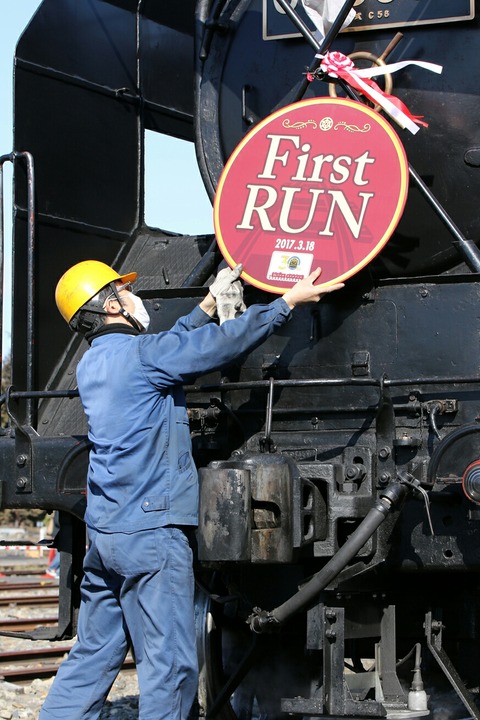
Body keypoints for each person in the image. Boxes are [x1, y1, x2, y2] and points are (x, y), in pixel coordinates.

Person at [40, 259, 344, 720]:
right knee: (170, 667)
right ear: (110, 304)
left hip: (105, 535)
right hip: (151, 533)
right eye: (124, 292)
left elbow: (169, 350)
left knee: (94, 653)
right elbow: (214, 347)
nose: (134, 298)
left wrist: (204, 305)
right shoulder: (144, 357)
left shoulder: (93, 365)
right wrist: (285, 303)